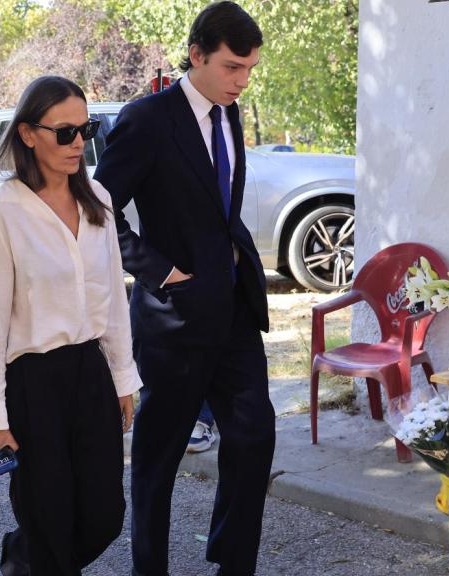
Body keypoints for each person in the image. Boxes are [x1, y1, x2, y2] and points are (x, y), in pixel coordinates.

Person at [93, 2, 275, 574]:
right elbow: (99, 211)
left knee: (254, 439)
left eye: (249, 69)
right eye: (231, 67)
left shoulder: (231, 113)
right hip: (173, 318)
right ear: (196, 56)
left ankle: (232, 560)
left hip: (235, 308)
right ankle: (150, 567)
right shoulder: (147, 119)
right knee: (157, 457)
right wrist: (161, 272)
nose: (242, 81)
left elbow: (219, 208)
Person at [0, 75, 141, 576]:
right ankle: (35, 558)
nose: (77, 144)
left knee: (104, 516)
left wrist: (123, 379)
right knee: (49, 517)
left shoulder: (100, 200)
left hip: (90, 372)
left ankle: (22, 560)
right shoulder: (2, 211)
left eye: (85, 130)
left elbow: (113, 298)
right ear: (28, 134)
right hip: (33, 382)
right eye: (63, 132)